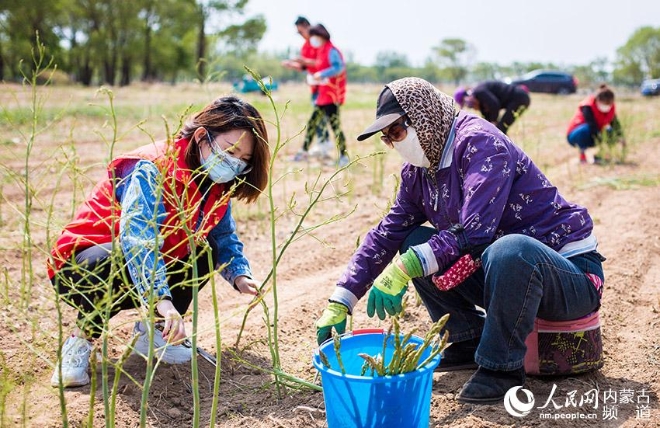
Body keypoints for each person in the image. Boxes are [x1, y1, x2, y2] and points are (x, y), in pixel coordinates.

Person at [315, 77, 604, 404]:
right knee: (413, 240)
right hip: (503, 275)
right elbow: (386, 234)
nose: (395, 143)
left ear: (422, 117)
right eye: (387, 138)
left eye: (397, 131)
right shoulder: (419, 172)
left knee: (511, 249)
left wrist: (406, 268)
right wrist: (342, 299)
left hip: (567, 275)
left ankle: (501, 369)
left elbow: (475, 230)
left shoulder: (480, 143)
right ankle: (469, 338)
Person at [48, 96, 270, 388]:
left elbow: (221, 234)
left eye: (243, 160)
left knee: (205, 250)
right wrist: (161, 301)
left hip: (142, 262)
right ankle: (79, 341)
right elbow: (137, 241)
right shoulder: (153, 167)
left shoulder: (215, 183)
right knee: (119, 258)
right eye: (230, 150)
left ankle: (153, 336)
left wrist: (239, 273)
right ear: (203, 136)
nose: (233, 163)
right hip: (85, 264)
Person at [293, 24, 349, 167]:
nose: (312, 40)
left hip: (332, 95)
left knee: (335, 126)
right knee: (312, 123)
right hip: (322, 95)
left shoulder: (331, 50)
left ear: (321, 36)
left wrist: (322, 74)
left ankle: (344, 156)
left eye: (313, 37)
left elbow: (339, 67)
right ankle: (303, 151)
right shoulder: (321, 50)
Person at [281, 16, 332, 159]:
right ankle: (323, 144)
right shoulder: (305, 46)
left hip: (324, 86)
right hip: (314, 87)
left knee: (317, 118)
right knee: (319, 118)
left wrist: (303, 61)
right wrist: (293, 65)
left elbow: (321, 63)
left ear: (306, 26)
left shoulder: (319, 44)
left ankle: (319, 145)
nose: (301, 35)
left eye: (300, 31)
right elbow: (305, 67)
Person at [566, 84, 625, 164]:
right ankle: (582, 156)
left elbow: (615, 124)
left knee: (610, 131)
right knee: (587, 129)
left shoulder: (611, 109)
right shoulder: (588, 106)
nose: (606, 107)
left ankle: (601, 155)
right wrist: (602, 137)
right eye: (604, 103)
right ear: (597, 100)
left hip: (595, 133)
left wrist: (620, 136)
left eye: (609, 104)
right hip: (576, 135)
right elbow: (592, 125)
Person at [454, 81, 530, 134]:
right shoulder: (479, 100)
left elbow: (495, 104)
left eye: (469, 104)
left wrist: (493, 121)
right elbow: (487, 117)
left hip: (520, 98)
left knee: (500, 129)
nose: (471, 107)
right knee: (497, 130)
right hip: (517, 99)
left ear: (468, 95)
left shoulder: (479, 91)